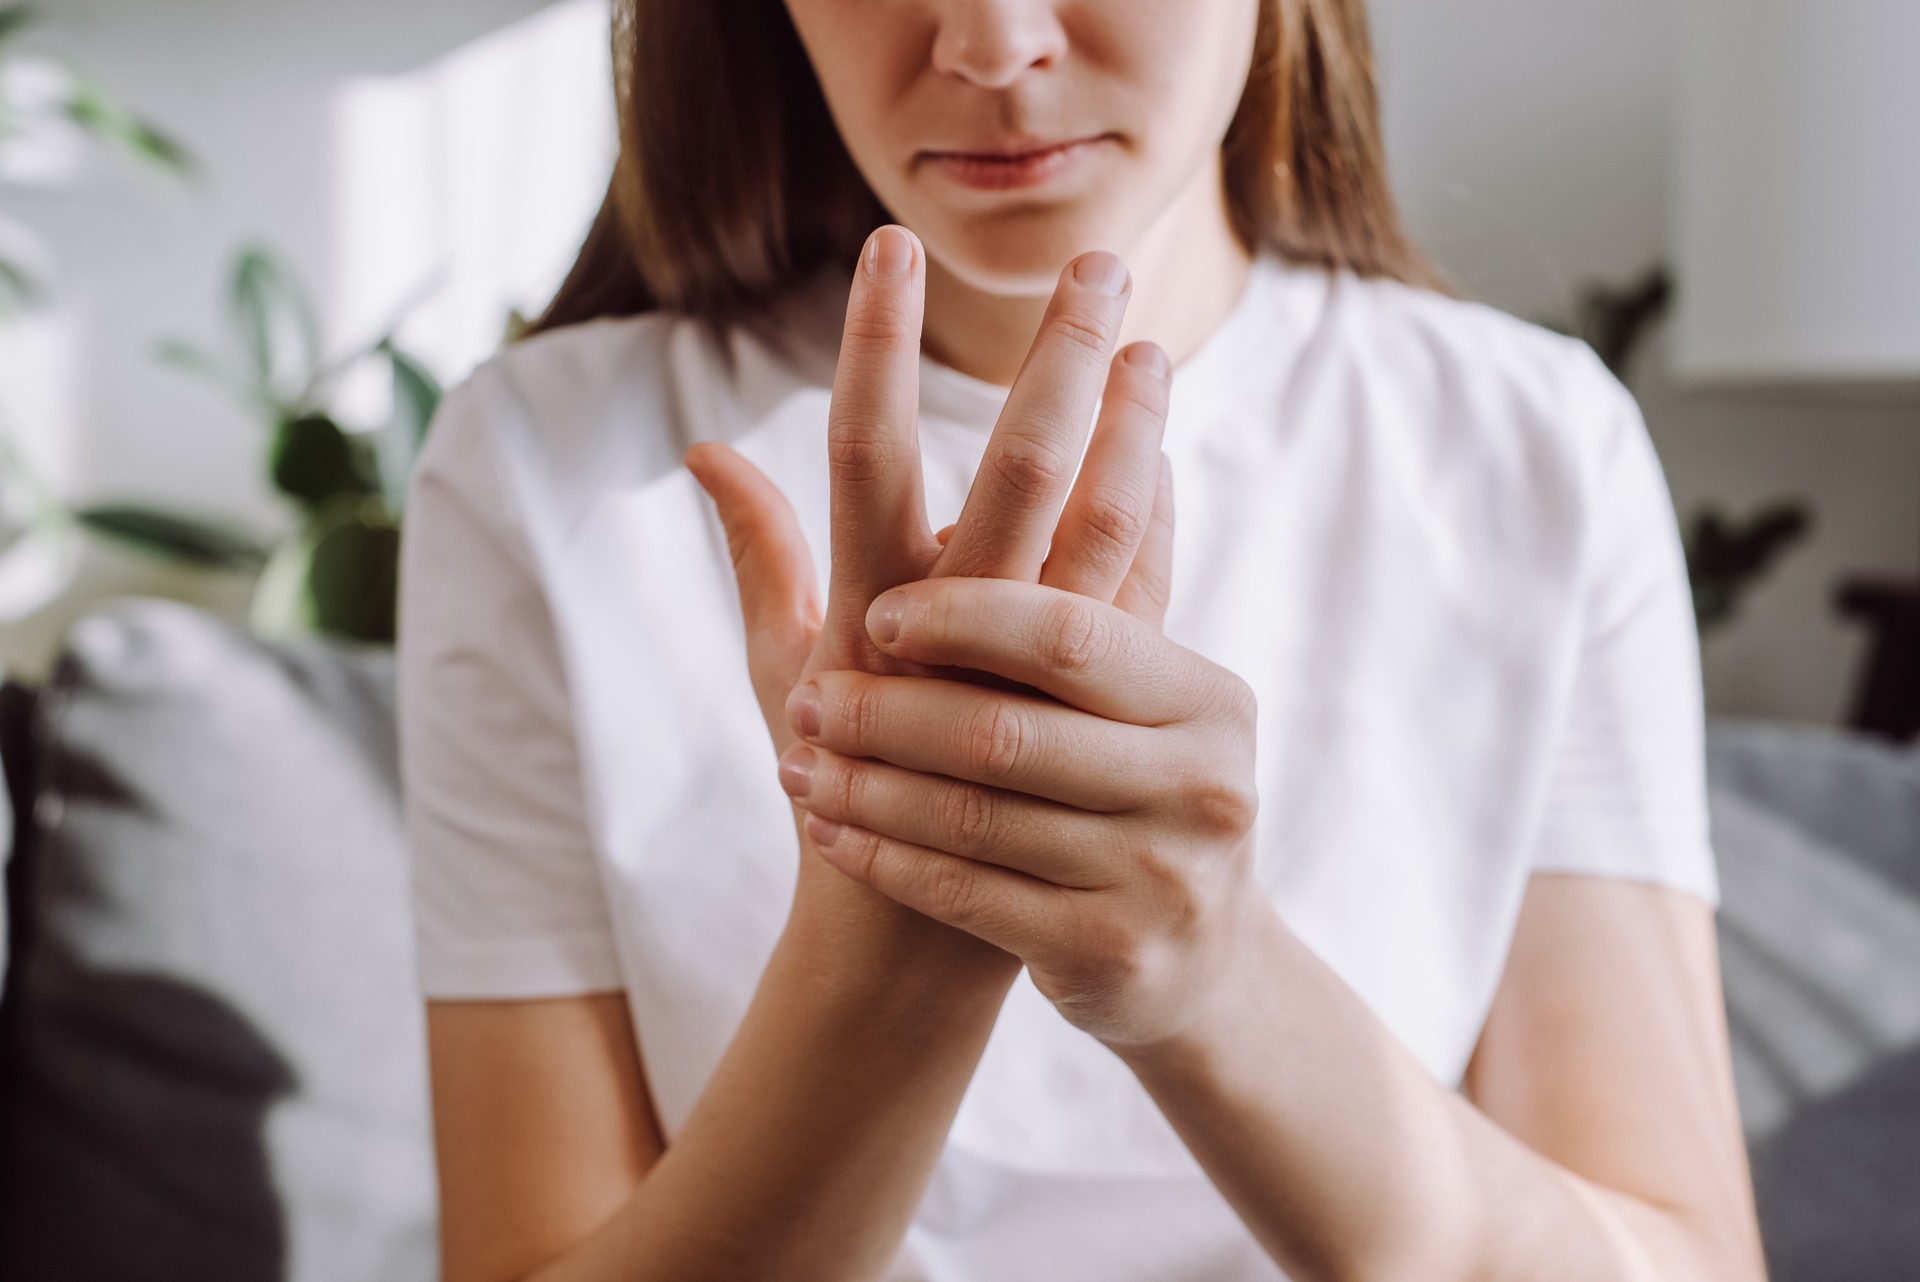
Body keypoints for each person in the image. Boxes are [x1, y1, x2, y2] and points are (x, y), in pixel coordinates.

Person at [397, 2, 1768, 1279]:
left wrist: (1211, 974)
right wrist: (885, 959)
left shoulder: (1533, 452)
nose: (993, 46)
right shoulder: (544, 465)